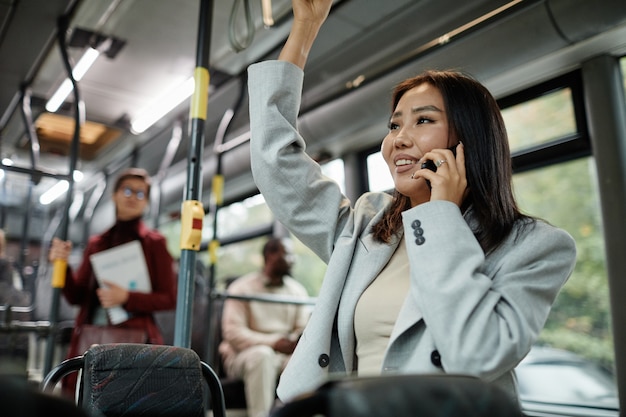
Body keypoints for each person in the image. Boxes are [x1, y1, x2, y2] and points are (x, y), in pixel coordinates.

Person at [247, 0, 577, 406]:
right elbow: (275, 163)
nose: (397, 140)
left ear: (469, 139)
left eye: (422, 121)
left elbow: (478, 354)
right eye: (394, 124)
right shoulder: (367, 224)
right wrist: (305, 28)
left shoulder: (535, 246)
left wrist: (441, 215)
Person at [48, 167, 177, 394]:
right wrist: (63, 266)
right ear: (114, 195)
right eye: (127, 190)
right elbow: (76, 296)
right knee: (83, 398)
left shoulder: (155, 243)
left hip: (135, 339)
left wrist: (127, 298)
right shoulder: (97, 243)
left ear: (146, 202)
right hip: (91, 334)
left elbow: (169, 298)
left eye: (140, 194)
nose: (133, 198)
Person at [219, 237, 310, 417]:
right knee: (262, 355)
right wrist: (274, 343)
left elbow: (301, 328)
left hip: (282, 355)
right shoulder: (241, 289)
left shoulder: (297, 291)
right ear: (270, 255)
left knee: (306, 361)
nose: (293, 260)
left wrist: (295, 341)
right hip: (244, 355)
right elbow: (233, 333)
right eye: (287, 254)